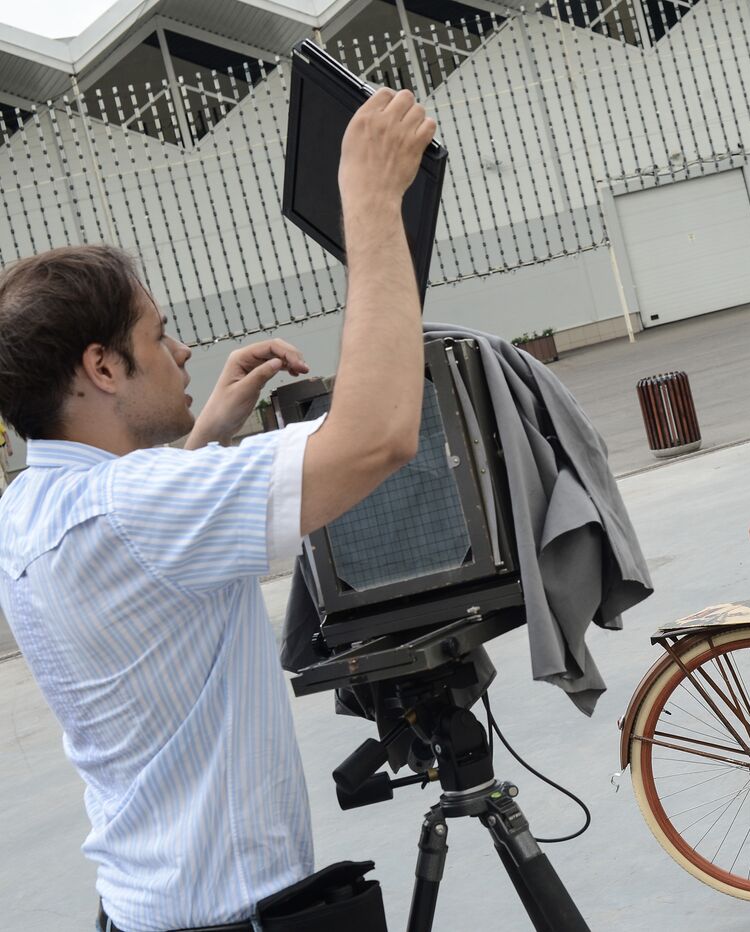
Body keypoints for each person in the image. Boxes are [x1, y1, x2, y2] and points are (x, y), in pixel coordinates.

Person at [0, 87, 436, 932]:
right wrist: (374, 205)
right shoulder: (136, 509)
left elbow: (133, 561)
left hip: (149, 908)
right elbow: (377, 435)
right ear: (101, 366)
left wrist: (203, 434)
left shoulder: (30, 507)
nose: (183, 349)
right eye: (157, 334)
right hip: (230, 916)